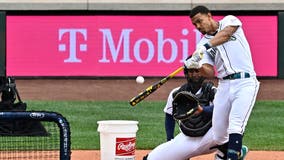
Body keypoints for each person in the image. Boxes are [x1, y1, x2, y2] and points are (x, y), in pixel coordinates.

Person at [184, 5, 260, 160]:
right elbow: (210, 72)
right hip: (224, 85)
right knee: (218, 136)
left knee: (236, 124)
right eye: (194, 24)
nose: (198, 26)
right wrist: (197, 66)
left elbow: (225, 35)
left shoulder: (229, 21)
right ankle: (237, 151)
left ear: (209, 16)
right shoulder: (201, 45)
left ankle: (231, 156)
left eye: (200, 21)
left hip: (245, 82)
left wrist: (204, 48)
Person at [143, 66, 248, 160]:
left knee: (231, 122)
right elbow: (169, 115)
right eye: (191, 71)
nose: (194, 74)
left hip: (210, 138)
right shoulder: (176, 93)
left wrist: (202, 110)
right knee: (151, 158)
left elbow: (222, 111)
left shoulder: (213, 92)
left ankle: (229, 152)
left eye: (197, 71)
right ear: (186, 73)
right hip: (187, 138)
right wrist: (170, 141)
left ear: (203, 72)